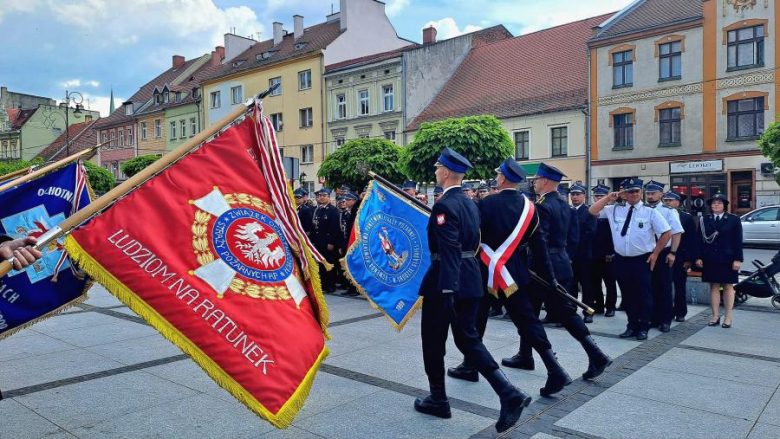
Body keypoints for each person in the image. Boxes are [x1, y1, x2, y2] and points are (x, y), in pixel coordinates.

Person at [415, 148, 531, 433]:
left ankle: (438, 399)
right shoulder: (470, 202)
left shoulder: (445, 206)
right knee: (468, 340)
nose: (435, 173)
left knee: (433, 341)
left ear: (444, 173)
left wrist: (447, 290)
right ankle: (508, 393)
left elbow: (450, 249)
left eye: (437, 169)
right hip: (470, 279)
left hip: (446, 280)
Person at [448, 158, 572, 397]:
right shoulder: (530, 207)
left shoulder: (485, 204)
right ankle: (554, 368)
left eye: (497, 176)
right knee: (528, 321)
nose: (496, 179)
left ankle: (471, 364)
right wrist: (551, 277)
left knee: (476, 319)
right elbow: (540, 246)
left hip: (485, 270)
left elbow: (472, 236)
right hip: (515, 273)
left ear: (503, 178)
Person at [504, 163, 611, 381]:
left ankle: (593, 355)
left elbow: (539, 240)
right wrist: (563, 259)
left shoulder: (541, 206)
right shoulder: (564, 206)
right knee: (560, 313)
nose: (534, 183)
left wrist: (538, 266)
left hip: (542, 268)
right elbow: (574, 238)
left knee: (529, 314)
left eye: (536, 180)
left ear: (544, 181)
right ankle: (528, 354)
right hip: (561, 262)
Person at [589, 179, 672, 340]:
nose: (634, 194)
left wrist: (655, 254)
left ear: (641, 193)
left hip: (642, 259)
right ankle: (632, 325)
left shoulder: (650, 211)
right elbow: (592, 211)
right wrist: (608, 198)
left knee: (643, 294)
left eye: (637, 191)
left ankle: (644, 326)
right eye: (630, 191)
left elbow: (667, 232)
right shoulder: (614, 209)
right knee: (628, 295)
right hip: (621, 259)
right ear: (624, 194)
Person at [695, 193, 743, 329]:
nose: (716, 205)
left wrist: (738, 259)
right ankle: (715, 315)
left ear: (724, 206)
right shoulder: (704, 219)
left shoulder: (734, 220)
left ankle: (728, 316)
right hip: (709, 258)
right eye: (714, 203)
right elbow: (699, 240)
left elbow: (738, 241)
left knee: (728, 286)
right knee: (713, 286)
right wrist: (698, 257)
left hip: (728, 259)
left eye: (719, 203)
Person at [644, 181, 684, 333]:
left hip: (663, 253)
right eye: (648, 193)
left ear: (661, 194)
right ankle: (651, 318)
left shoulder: (668, 211)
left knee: (664, 287)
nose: (650, 195)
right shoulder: (642, 209)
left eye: (653, 193)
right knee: (648, 287)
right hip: (646, 252)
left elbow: (677, 232)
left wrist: (673, 252)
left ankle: (665, 319)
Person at [663, 191, 696, 322]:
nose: (668, 203)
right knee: (664, 287)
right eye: (666, 200)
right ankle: (667, 312)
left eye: (671, 200)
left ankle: (681, 312)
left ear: (678, 202)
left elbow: (691, 240)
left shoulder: (686, 217)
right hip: (665, 255)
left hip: (681, 257)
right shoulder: (661, 214)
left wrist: (689, 259)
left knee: (679, 286)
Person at [569, 183, 597, 323]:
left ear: (584, 196)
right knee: (571, 284)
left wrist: (573, 243)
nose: (575, 197)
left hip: (584, 255)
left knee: (587, 284)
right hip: (570, 256)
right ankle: (572, 310)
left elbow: (590, 233)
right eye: (573, 194)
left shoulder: (589, 211)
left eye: (577, 194)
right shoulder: (568, 211)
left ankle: (588, 311)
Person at [590, 185, 618, 317]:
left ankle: (611, 307)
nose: (598, 198)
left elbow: (614, 235)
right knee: (595, 282)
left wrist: (610, 252)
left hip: (608, 254)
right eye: (597, 196)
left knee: (610, 282)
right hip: (593, 253)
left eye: (601, 196)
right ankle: (599, 306)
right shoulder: (591, 210)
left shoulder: (612, 211)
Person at [312, 188, 341, 294]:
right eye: (320, 196)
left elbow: (335, 228)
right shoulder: (318, 210)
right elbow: (316, 227)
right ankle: (323, 284)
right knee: (321, 264)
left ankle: (331, 285)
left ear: (329, 197)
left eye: (324, 196)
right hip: (319, 241)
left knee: (330, 264)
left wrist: (332, 242)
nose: (322, 197)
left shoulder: (333, 210)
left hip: (328, 242)